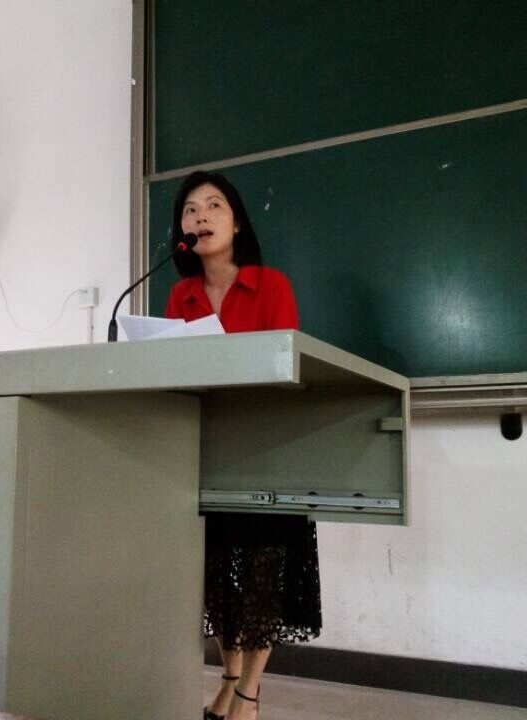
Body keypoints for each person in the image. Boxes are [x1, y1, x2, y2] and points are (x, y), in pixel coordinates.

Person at [165, 170, 322, 720]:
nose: (200, 217)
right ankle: (229, 679)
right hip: (204, 449)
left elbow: (283, 368)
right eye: (190, 210)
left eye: (214, 206)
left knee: (260, 579)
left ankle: (249, 694)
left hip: (266, 449)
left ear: (236, 223)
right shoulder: (180, 294)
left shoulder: (271, 285)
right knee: (217, 577)